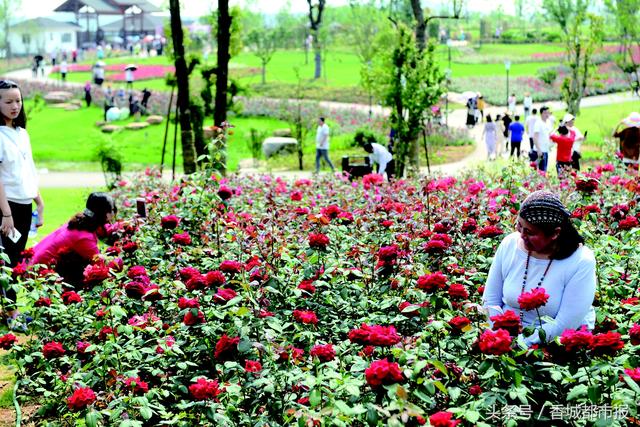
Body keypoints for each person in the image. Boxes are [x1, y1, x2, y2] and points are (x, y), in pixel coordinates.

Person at [483, 190, 596, 347]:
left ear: (555, 233)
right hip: (505, 341)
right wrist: (496, 337)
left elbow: (564, 325)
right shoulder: (510, 244)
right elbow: (491, 300)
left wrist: (519, 344)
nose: (521, 235)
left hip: (554, 346)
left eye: (529, 232)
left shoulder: (580, 261)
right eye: (519, 226)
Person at [0, 80, 45, 329]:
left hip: (24, 204)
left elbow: (28, 170)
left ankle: (11, 312)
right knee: (5, 261)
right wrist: (5, 213)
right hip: (6, 208)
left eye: (18, 100)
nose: (14, 106)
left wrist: (39, 202)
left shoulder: (21, 133)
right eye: (8, 102)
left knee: (14, 260)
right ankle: (11, 316)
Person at [29, 193, 116, 286]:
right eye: (111, 210)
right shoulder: (86, 237)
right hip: (39, 273)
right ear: (104, 213)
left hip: (33, 262)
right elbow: (100, 265)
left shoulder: (80, 223)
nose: (114, 213)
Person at [533, 106, 552, 172]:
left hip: (545, 150)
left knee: (544, 170)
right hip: (540, 151)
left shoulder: (548, 122)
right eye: (545, 113)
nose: (547, 114)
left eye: (548, 113)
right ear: (541, 113)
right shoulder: (538, 123)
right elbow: (535, 137)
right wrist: (538, 150)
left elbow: (548, 135)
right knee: (541, 171)